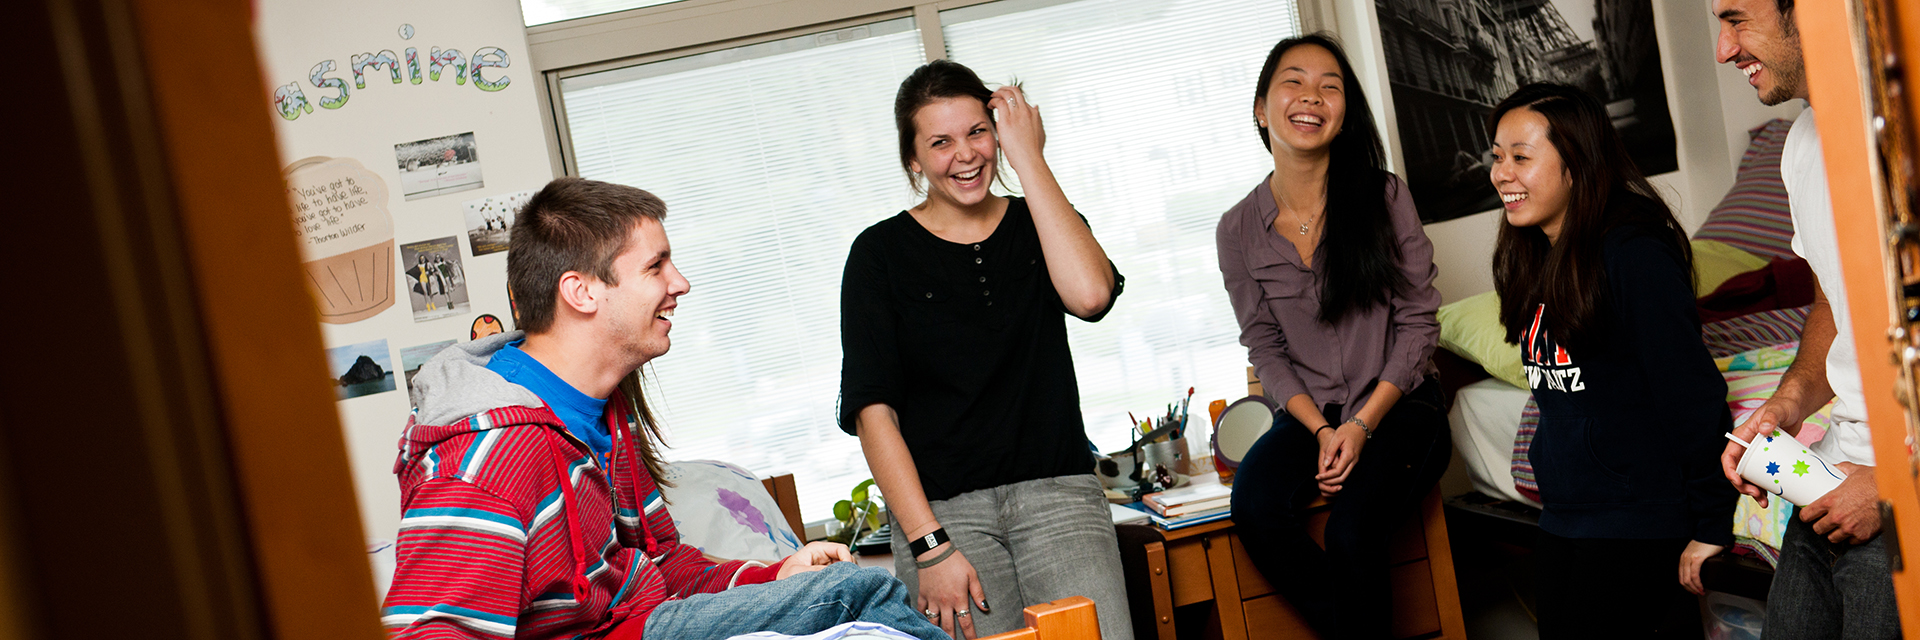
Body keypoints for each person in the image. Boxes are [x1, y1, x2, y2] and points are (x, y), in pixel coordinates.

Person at [384, 177, 947, 640]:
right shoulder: (488, 453)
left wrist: (777, 574)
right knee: (856, 591)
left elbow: (662, 566)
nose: (680, 283)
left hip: (646, 623)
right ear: (582, 292)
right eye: (657, 267)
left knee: (841, 588)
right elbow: (431, 631)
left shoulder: (605, 414)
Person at [838, 59, 1131, 640]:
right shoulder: (877, 255)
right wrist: (929, 546)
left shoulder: (1040, 221)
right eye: (940, 142)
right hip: (945, 517)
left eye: (977, 132)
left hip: (1061, 499)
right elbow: (874, 415)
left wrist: (1030, 158)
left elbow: (1092, 295)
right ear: (913, 160)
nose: (966, 154)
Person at [1215, 33, 1451, 639]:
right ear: (1262, 109)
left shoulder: (1384, 195)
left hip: (1399, 405)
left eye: (1331, 85)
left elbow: (1419, 321)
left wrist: (1361, 424)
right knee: (1254, 506)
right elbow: (1263, 346)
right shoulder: (1236, 229)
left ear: (1344, 116)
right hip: (1308, 417)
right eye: (1292, 81)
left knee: (1351, 531)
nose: (1311, 96)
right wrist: (1322, 430)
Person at [1486, 82, 1737, 637]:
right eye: (1497, 157)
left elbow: (1689, 393)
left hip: (1639, 522)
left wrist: (1713, 521)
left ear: (1576, 162)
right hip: (1567, 515)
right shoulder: (1533, 254)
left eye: (1521, 158)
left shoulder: (1635, 254)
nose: (1503, 173)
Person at [1714, 0, 1903, 636]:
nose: (1724, 49)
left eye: (1738, 19)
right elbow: (1831, 302)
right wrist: (1789, 400)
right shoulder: (1802, 142)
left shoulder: (1905, 126)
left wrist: (1892, 482)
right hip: (1828, 478)